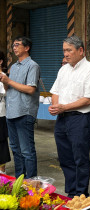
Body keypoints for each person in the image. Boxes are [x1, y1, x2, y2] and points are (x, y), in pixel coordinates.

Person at [49, 35, 90, 197]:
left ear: (81, 50)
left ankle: (80, 193)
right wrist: (56, 106)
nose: (66, 54)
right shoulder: (63, 69)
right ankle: (70, 192)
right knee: (65, 157)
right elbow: (55, 91)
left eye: (69, 50)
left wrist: (64, 107)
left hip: (80, 119)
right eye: (64, 50)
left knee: (80, 158)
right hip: (62, 118)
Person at [0, 36, 40, 179]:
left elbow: (30, 89)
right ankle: (19, 181)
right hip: (11, 112)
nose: (14, 48)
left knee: (26, 150)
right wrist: (4, 81)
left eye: (17, 45)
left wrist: (9, 80)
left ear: (27, 48)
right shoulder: (14, 66)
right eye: (13, 45)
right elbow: (8, 88)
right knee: (16, 150)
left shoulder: (32, 66)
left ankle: (31, 182)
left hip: (24, 112)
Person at [0, 51, 10, 174]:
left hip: (1, 113)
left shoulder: (4, 76)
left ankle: (2, 169)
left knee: (1, 141)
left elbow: (6, 92)